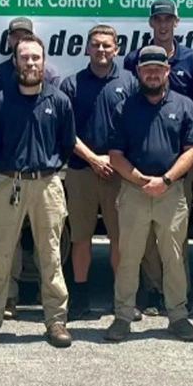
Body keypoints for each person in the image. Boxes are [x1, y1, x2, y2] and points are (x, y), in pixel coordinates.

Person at [0, 37, 76, 349]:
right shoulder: (0, 102)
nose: (30, 63)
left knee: (50, 255)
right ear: (15, 62)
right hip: (9, 182)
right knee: (1, 254)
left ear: (44, 62)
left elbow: (66, 143)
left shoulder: (59, 101)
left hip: (48, 184)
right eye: (24, 58)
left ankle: (56, 321)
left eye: (36, 58)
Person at [104, 44, 193, 343]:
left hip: (170, 192)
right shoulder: (125, 106)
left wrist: (166, 180)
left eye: (158, 68)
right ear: (138, 71)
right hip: (133, 191)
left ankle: (178, 316)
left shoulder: (184, 105)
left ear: (167, 70)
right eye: (147, 69)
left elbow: (192, 150)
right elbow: (115, 153)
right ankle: (122, 316)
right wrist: (138, 178)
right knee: (129, 256)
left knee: (173, 257)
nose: (152, 73)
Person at [60, 24, 137, 320]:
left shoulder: (130, 82)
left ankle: (122, 298)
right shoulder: (72, 84)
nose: (101, 50)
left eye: (107, 45)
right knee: (81, 237)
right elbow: (66, 132)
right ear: (87, 48)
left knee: (120, 238)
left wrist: (115, 161)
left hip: (120, 173)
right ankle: (80, 296)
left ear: (116, 48)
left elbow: (136, 127)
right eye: (96, 45)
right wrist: (94, 159)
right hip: (82, 170)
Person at [122, 0, 193, 97]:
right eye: (157, 19)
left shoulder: (191, 58)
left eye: (168, 19)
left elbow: (192, 100)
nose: (163, 25)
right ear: (151, 22)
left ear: (176, 22)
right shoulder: (133, 59)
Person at [0, 16, 61, 90]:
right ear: (8, 41)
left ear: (34, 39)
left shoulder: (50, 74)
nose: (20, 40)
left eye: (26, 36)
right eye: (16, 36)